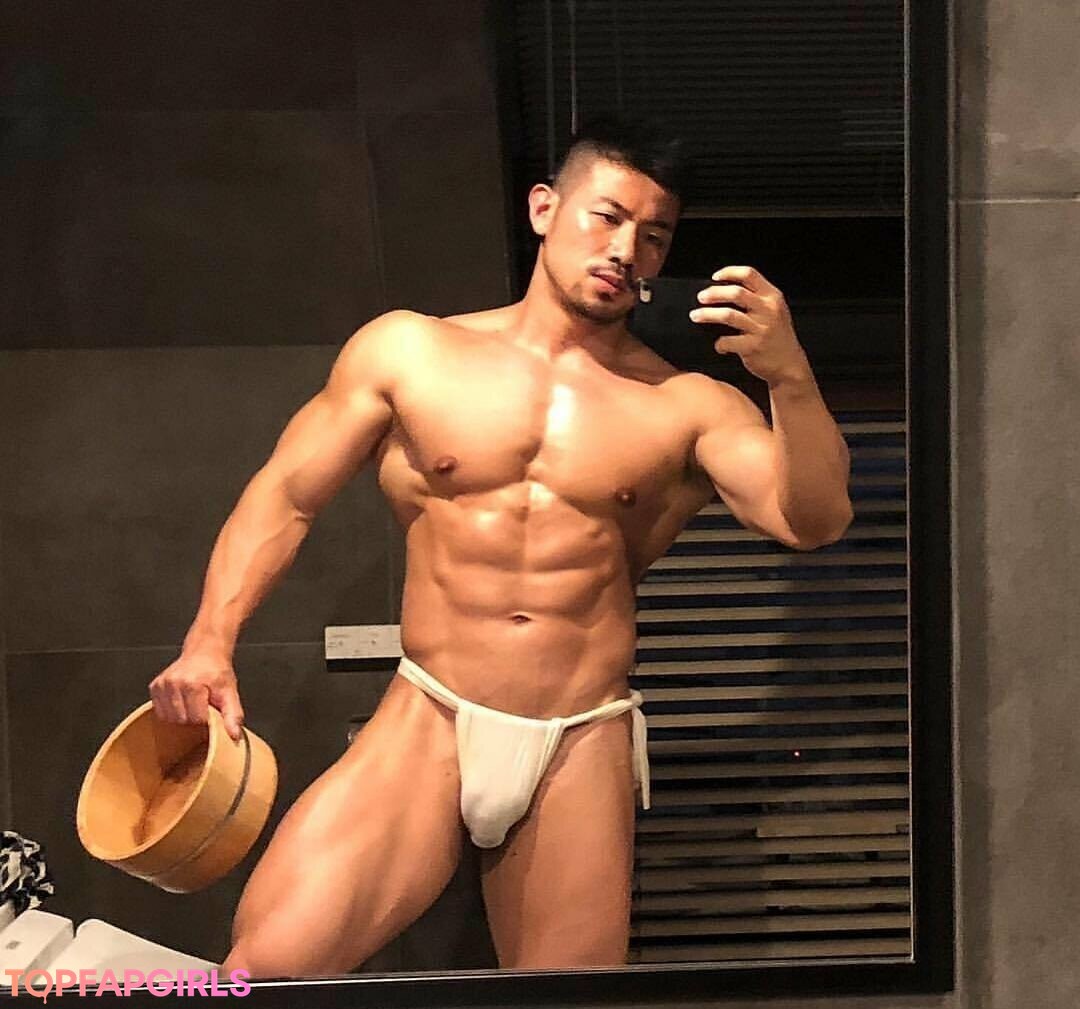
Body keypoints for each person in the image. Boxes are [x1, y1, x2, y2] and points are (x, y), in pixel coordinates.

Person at [148, 116, 853, 976]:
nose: (626, 248)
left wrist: (789, 376)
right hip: (431, 713)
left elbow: (812, 520)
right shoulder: (411, 350)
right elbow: (287, 496)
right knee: (267, 971)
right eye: (608, 216)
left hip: (578, 734)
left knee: (565, 1001)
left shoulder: (687, 405)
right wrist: (210, 640)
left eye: (654, 235)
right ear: (544, 208)